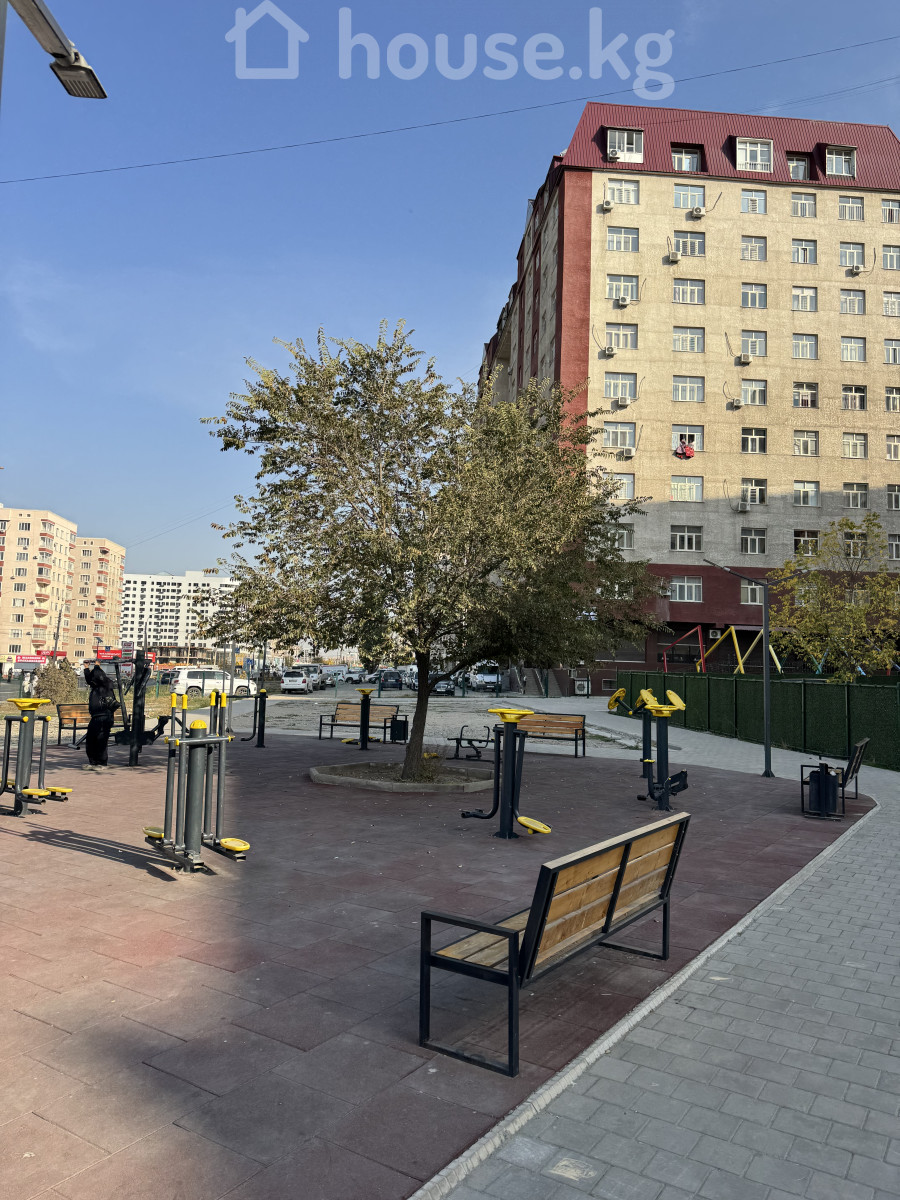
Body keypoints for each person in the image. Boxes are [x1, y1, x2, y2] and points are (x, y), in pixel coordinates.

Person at [83, 665, 119, 771]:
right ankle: (93, 761)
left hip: (104, 717)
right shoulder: (96, 685)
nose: (91, 682)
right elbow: (90, 680)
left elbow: (95, 677)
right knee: (91, 739)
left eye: (93, 679)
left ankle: (101, 762)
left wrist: (96, 667)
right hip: (95, 717)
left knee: (101, 740)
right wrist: (86, 669)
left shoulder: (105, 686)